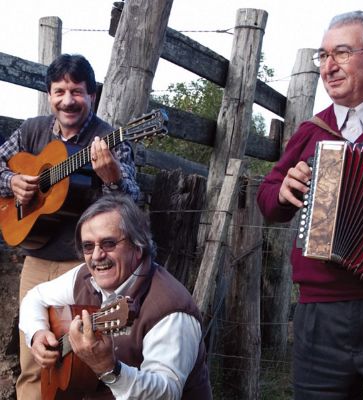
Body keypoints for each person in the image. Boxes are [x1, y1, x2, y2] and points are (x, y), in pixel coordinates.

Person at [257, 10, 363, 400]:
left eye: (341, 53)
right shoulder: (313, 131)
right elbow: (268, 201)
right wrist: (284, 189)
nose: (328, 67)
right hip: (320, 314)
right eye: (323, 56)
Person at [0, 53, 140, 399]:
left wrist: (112, 179)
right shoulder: (32, 130)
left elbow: (131, 201)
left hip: (84, 266)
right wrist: (12, 180)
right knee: (34, 353)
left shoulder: (108, 139)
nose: (67, 100)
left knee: (77, 361)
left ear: (91, 95)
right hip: (36, 259)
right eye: (59, 91)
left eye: (76, 91)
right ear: (49, 94)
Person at [19, 193, 213, 399]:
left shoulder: (171, 309)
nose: (96, 256)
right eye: (88, 246)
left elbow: (166, 393)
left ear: (137, 247)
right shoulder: (84, 276)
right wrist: (38, 334)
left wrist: (109, 369)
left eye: (109, 243)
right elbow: (35, 298)